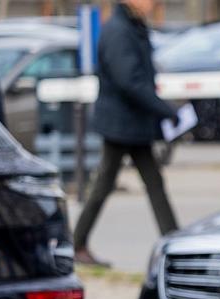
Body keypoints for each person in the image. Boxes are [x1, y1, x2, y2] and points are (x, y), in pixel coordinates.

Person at [71, 0, 180, 268]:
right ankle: (175, 244)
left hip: (131, 123)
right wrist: (164, 110)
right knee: (110, 185)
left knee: (148, 184)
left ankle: (175, 243)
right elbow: (130, 81)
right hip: (122, 124)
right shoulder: (120, 31)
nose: (153, 4)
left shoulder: (130, 26)